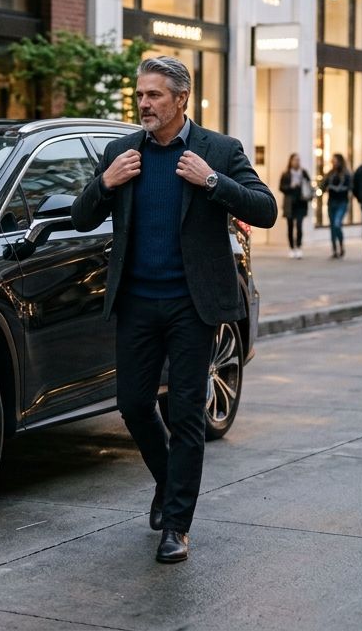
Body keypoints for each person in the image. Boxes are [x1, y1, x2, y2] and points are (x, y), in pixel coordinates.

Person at [71, 56, 276, 564]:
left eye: (154, 95)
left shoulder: (218, 151)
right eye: (140, 94)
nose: (143, 103)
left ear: (181, 99)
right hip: (137, 301)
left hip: (192, 305)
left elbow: (265, 208)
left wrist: (212, 182)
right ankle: (170, 482)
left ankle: (177, 525)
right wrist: (107, 182)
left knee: (186, 413)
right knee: (134, 405)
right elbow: (81, 217)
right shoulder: (122, 152)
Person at [278, 153, 312, 259]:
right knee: (290, 226)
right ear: (291, 161)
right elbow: (281, 187)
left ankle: (299, 247)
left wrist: (303, 183)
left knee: (299, 226)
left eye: (298, 160)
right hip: (290, 203)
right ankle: (292, 248)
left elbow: (309, 185)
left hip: (301, 203)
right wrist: (290, 186)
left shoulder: (304, 173)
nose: (297, 162)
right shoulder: (286, 174)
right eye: (295, 160)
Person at [322, 153, 352, 259]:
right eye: (332, 161)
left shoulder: (346, 174)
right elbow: (323, 186)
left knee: (337, 224)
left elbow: (350, 187)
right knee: (332, 227)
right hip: (331, 202)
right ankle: (335, 250)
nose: (334, 163)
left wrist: (338, 189)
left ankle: (341, 246)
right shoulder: (330, 174)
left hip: (342, 202)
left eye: (335, 161)